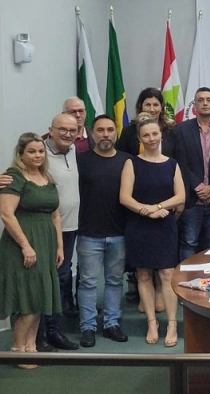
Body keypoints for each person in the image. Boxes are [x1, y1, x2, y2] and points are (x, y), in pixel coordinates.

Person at [119, 117, 186, 347]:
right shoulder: (132, 163)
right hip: (139, 225)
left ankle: (172, 324)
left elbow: (180, 197)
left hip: (165, 224)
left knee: (167, 274)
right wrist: (146, 212)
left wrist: (158, 208)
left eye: (154, 134)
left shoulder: (172, 164)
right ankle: (151, 322)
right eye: (146, 135)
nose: (151, 139)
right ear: (139, 138)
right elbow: (125, 197)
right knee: (144, 275)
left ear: (161, 136)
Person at [0, 133, 63, 369]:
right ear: (21, 153)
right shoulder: (13, 177)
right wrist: (26, 246)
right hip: (22, 244)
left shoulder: (46, 176)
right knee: (28, 298)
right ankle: (18, 349)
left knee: (40, 296)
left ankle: (31, 347)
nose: (37, 155)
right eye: (32, 151)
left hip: (46, 243)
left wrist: (59, 245)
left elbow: (55, 213)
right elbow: (6, 214)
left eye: (41, 151)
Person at [75, 114, 131, 347]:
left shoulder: (127, 161)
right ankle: (87, 327)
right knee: (88, 283)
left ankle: (111, 324)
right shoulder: (81, 161)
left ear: (116, 132)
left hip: (119, 232)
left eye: (110, 129)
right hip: (89, 232)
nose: (106, 134)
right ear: (93, 133)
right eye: (100, 130)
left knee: (115, 281)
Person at [37, 113, 81, 352]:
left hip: (70, 227)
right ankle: (40, 335)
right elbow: (19, 172)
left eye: (72, 130)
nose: (67, 134)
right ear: (50, 130)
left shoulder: (75, 151)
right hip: (46, 230)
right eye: (62, 129)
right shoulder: (39, 152)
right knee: (47, 282)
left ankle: (55, 332)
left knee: (61, 280)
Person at [173, 87, 210, 259]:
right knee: (189, 242)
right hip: (192, 199)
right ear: (194, 106)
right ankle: (184, 281)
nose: (205, 103)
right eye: (200, 100)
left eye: (209, 100)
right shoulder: (181, 130)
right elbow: (181, 163)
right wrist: (199, 188)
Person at [116, 87, 177, 157]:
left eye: (155, 105)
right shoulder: (129, 131)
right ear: (140, 106)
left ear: (161, 108)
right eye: (148, 105)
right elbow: (122, 158)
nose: (152, 109)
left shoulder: (171, 131)